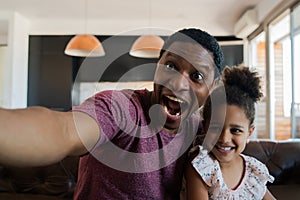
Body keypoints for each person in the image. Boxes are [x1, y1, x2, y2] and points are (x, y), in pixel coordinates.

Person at [0, 28, 224, 199]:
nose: (178, 83)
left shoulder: (202, 132)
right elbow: (64, 130)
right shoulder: (121, 108)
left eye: (196, 77)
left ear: (212, 88)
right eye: (171, 67)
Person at [185, 65, 276, 200]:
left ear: (249, 132)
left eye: (236, 130)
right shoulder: (201, 165)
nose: (224, 138)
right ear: (205, 127)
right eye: (215, 128)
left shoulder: (253, 171)